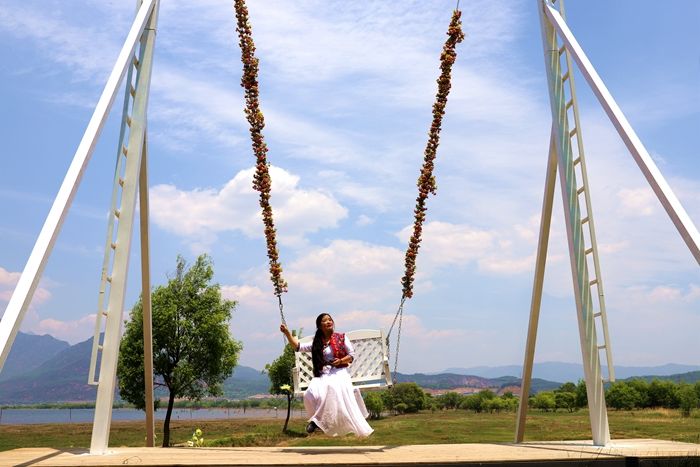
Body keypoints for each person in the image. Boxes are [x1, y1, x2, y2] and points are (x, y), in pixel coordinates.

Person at [280, 313, 374, 437]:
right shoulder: (317, 342)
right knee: (309, 394)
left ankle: (316, 423)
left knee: (331, 388)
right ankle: (316, 419)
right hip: (322, 374)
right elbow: (297, 347)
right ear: (320, 326)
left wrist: (340, 361)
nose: (329, 322)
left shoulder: (341, 337)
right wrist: (287, 333)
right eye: (325, 321)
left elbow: (351, 355)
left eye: (330, 320)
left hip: (339, 371)